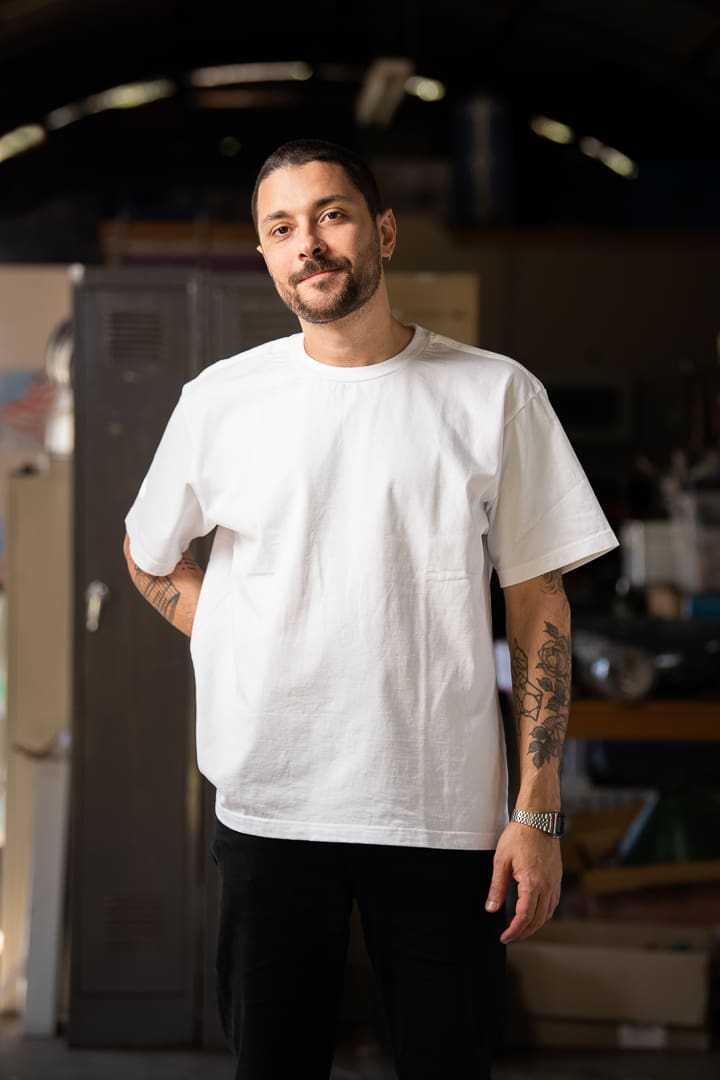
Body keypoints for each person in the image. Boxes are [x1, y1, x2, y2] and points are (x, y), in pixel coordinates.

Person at [123, 139, 618, 1080]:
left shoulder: (494, 394)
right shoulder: (221, 401)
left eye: (332, 215)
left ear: (382, 231)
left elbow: (539, 602)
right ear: (265, 255)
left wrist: (537, 810)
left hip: (440, 815)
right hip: (271, 806)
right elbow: (148, 555)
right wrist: (226, 630)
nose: (309, 243)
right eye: (282, 227)